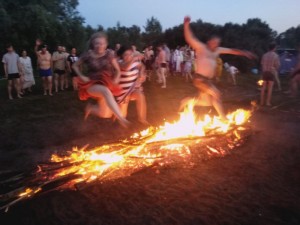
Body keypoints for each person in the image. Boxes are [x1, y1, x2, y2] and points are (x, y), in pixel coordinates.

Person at [181, 16, 256, 120]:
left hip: (207, 80)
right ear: (208, 42)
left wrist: (244, 53)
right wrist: (186, 25)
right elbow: (190, 38)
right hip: (199, 79)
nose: (215, 45)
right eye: (214, 42)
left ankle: (188, 101)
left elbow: (232, 50)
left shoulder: (217, 50)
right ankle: (223, 118)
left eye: (217, 43)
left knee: (206, 102)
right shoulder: (201, 47)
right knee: (217, 94)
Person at [72, 32, 130, 128]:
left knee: (105, 114)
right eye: (97, 43)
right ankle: (121, 118)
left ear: (106, 44)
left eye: (102, 43)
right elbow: (74, 65)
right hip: (91, 84)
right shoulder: (88, 55)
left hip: (106, 82)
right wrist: (81, 76)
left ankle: (91, 108)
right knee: (106, 91)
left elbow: (118, 70)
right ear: (93, 44)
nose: (99, 46)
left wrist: (116, 78)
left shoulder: (109, 54)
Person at [116, 45, 148, 125]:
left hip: (133, 90)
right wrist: (134, 58)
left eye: (130, 54)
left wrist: (141, 73)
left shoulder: (135, 62)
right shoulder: (119, 63)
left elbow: (142, 66)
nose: (129, 56)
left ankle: (142, 119)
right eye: (126, 55)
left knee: (140, 95)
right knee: (122, 118)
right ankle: (118, 117)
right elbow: (126, 68)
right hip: (123, 93)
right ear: (122, 56)